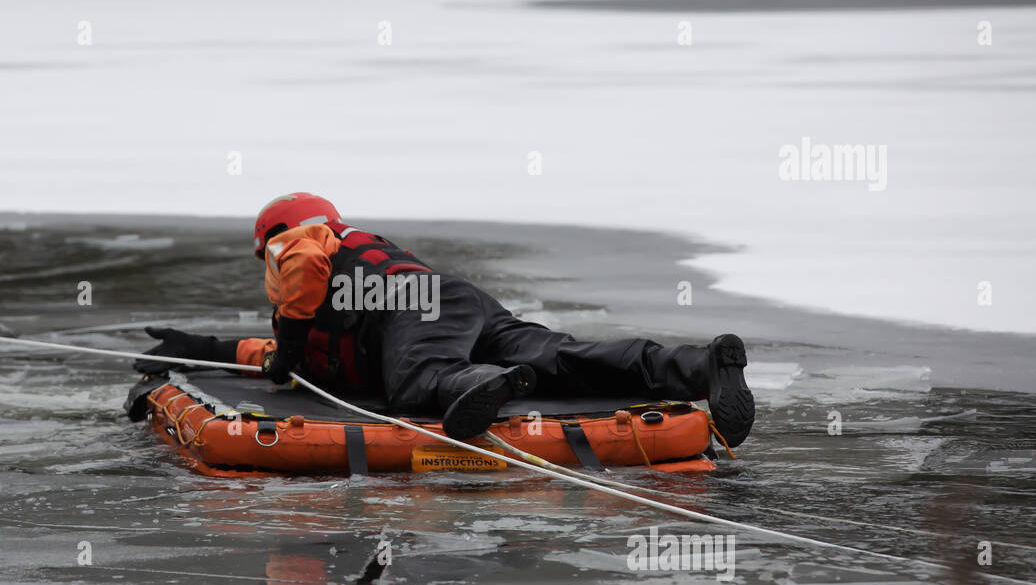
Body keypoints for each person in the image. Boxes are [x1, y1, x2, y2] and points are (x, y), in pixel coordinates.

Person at [134, 193, 755, 446]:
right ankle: (702, 366)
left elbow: (296, 270)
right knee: (560, 359)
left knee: (417, 382)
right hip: (456, 303)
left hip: (408, 309)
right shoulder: (330, 281)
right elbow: (262, 353)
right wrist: (197, 347)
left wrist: (290, 346)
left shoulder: (300, 241)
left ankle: (469, 383)